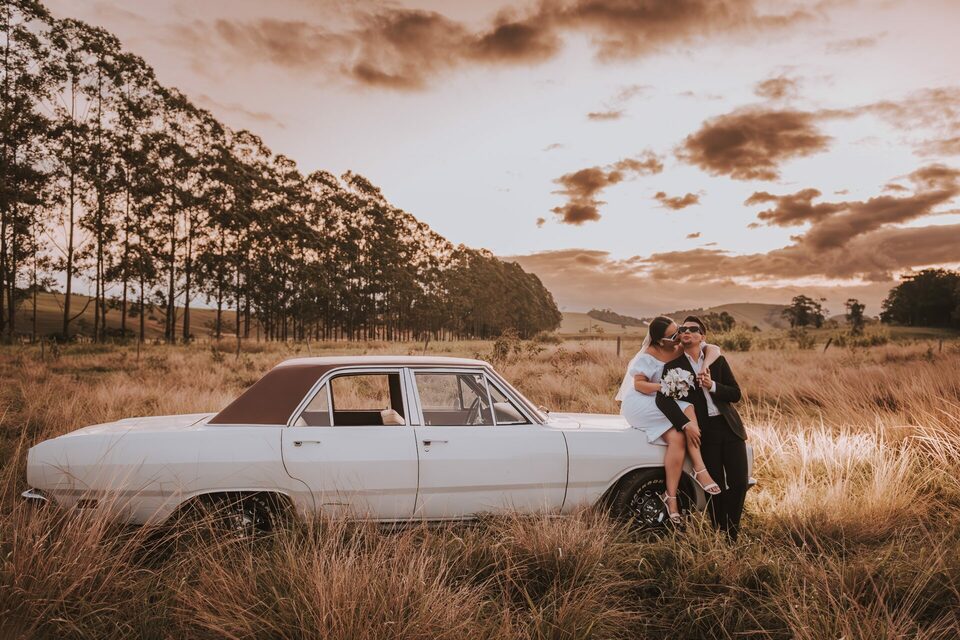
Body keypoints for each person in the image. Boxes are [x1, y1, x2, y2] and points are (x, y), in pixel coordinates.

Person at [616, 316, 722, 523]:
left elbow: (714, 349)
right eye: (673, 335)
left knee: (678, 439)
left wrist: (704, 366)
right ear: (659, 340)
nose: (679, 336)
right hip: (640, 403)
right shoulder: (647, 356)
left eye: (679, 330)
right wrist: (667, 387)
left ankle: (670, 497)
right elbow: (639, 385)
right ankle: (701, 470)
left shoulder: (678, 347)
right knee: (687, 407)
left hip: (662, 402)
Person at [656, 316, 748, 540]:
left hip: (729, 427)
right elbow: (663, 400)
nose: (687, 332)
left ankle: (732, 533)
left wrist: (713, 386)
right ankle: (719, 533)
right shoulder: (673, 367)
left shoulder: (716, 361)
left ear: (702, 337)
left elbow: (735, 393)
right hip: (704, 432)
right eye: (683, 329)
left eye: (693, 329)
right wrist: (685, 424)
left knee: (739, 482)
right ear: (680, 336)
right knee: (714, 486)